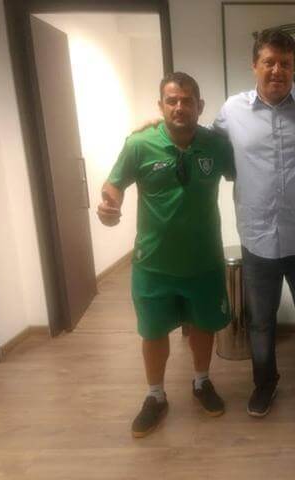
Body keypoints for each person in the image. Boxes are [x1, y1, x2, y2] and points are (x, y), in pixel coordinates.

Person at [213, 29, 295, 420]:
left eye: (285, 63)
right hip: (257, 240)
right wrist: (155, 124)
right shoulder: (232, 110)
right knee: (261, 323)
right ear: (254, 65)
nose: (277, 70)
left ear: (294, 68)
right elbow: (204, 142)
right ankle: (264, 385)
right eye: (269, 62)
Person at [97, 72, 234, 437]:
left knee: (204, 325)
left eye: (187, 101)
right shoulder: (139, 144)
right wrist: (109, 207)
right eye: (171, 100)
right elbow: (113, 185)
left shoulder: (216, 145)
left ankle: (201, 382)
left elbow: (249, 172)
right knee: (154, 332)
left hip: (204, 261)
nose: (179, 107)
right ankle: (155, 395)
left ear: (199, 106)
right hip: (153, 265)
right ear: (160, 106)